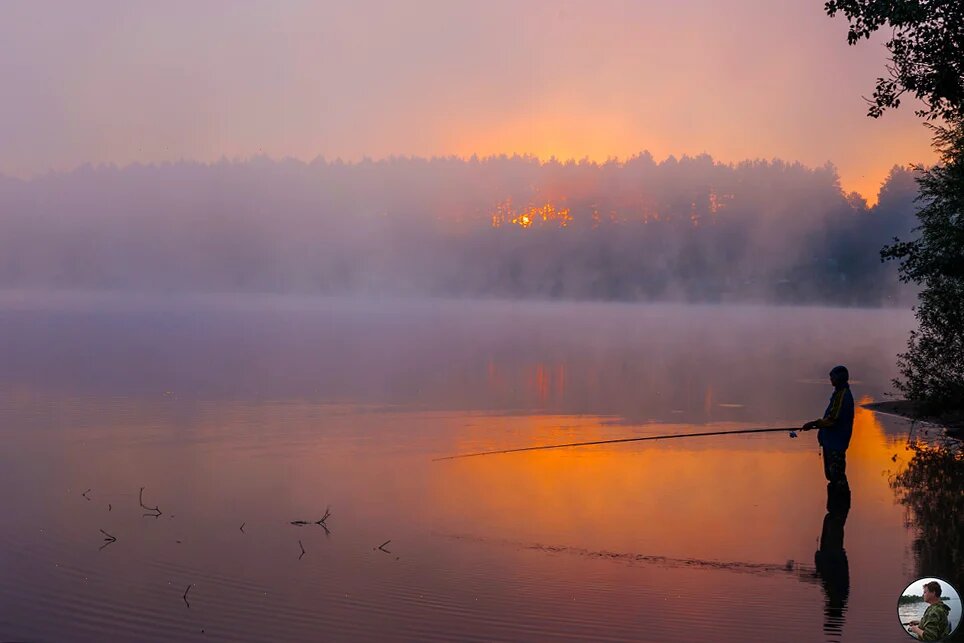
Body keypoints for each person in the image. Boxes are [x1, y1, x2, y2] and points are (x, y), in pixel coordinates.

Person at [802, 365, 854, 509]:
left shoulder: (843, 395)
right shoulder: (838, 394)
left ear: (839, 378)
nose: (831, 379)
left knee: (837, 475)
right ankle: (834, 511)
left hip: (836, 442)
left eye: (833, 377)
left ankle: (840, 509)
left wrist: (814, 424)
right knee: (832, 475)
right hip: (831, 442)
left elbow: (833, 419)